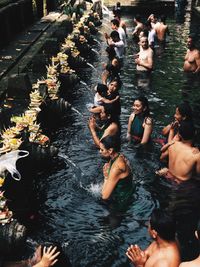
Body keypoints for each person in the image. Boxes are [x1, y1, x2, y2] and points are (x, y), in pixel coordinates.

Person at [100, 135, 133, 202]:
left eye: (102, 149)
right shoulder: (119, 156)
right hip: (128, 193)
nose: (100, 151)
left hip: (121, 202)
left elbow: (104, 196)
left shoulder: (116, 168)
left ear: (110, 150)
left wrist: (106, 177)